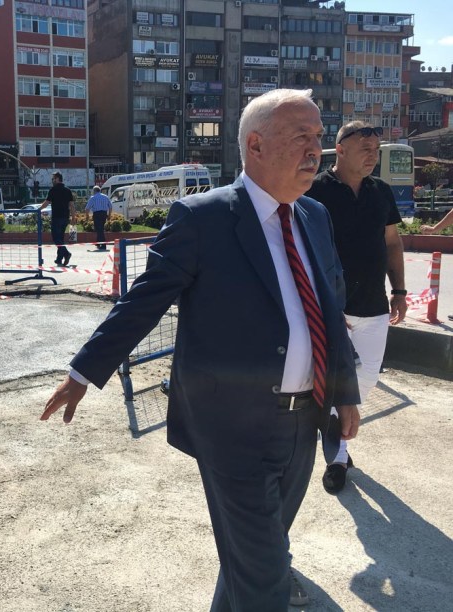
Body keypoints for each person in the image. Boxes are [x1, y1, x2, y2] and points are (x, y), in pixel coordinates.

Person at [40, 89, 360, 611]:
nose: (315, 149)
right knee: (265, 577)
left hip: (305, 423)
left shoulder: (314, 217)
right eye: (301, 136)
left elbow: (330, 308)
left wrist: (345, 392)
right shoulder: (202, 218)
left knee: (249, 561)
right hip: (234, 429)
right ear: (256, 145)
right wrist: (82, 373)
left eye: (319, 136)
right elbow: (143, 302)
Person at [306, 121, 407, 494]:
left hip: (374, 306)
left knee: (364, 382)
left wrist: (400, 290)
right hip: (332, 308)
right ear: (340, 149)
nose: (372, 156)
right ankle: (337, 458)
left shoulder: (381, 192)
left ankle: (336, 440)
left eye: (376, 150)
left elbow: (392, 242)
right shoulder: (314, 190)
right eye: (365, 148)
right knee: (338, 385)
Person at [40, 171, 76, 266]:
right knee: (60, 238)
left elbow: (46, 203)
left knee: (56, 238)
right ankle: (59, 259)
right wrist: (73, 217)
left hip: (57, 217)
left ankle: (66, 254)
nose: (52, 180)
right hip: (65, 218)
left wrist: (38, 209)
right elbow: (72, 205)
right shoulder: (67, 190)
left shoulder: (53, 190)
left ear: (57, 179)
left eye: (53, 179)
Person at [85, 185, 113, 250]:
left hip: (97, 214)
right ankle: (98, 243)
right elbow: (110, 207)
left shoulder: (93, 198)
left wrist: (87, 216)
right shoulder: (105, 197)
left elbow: (87, 208)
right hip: (104, 214)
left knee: (99, 229)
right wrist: (109, 215)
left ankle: (103, 245)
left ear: (94, 191)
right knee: (100, 228)